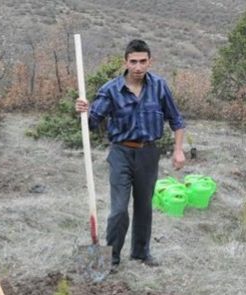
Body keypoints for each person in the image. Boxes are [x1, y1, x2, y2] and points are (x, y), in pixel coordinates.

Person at [75, 39, 186, 270]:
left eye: (142, 61)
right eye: (133, 61)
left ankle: (140, 253)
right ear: (125, 62)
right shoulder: (110, 89)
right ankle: (112, 259)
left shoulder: (159, 86)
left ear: (150, 62)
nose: (138, 67)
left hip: (148, 153)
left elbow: (176, 120)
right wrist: (83, 110)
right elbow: (93, 122)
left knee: (144, 206)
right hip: (121, 153)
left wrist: (178, 150)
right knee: (118, 209)